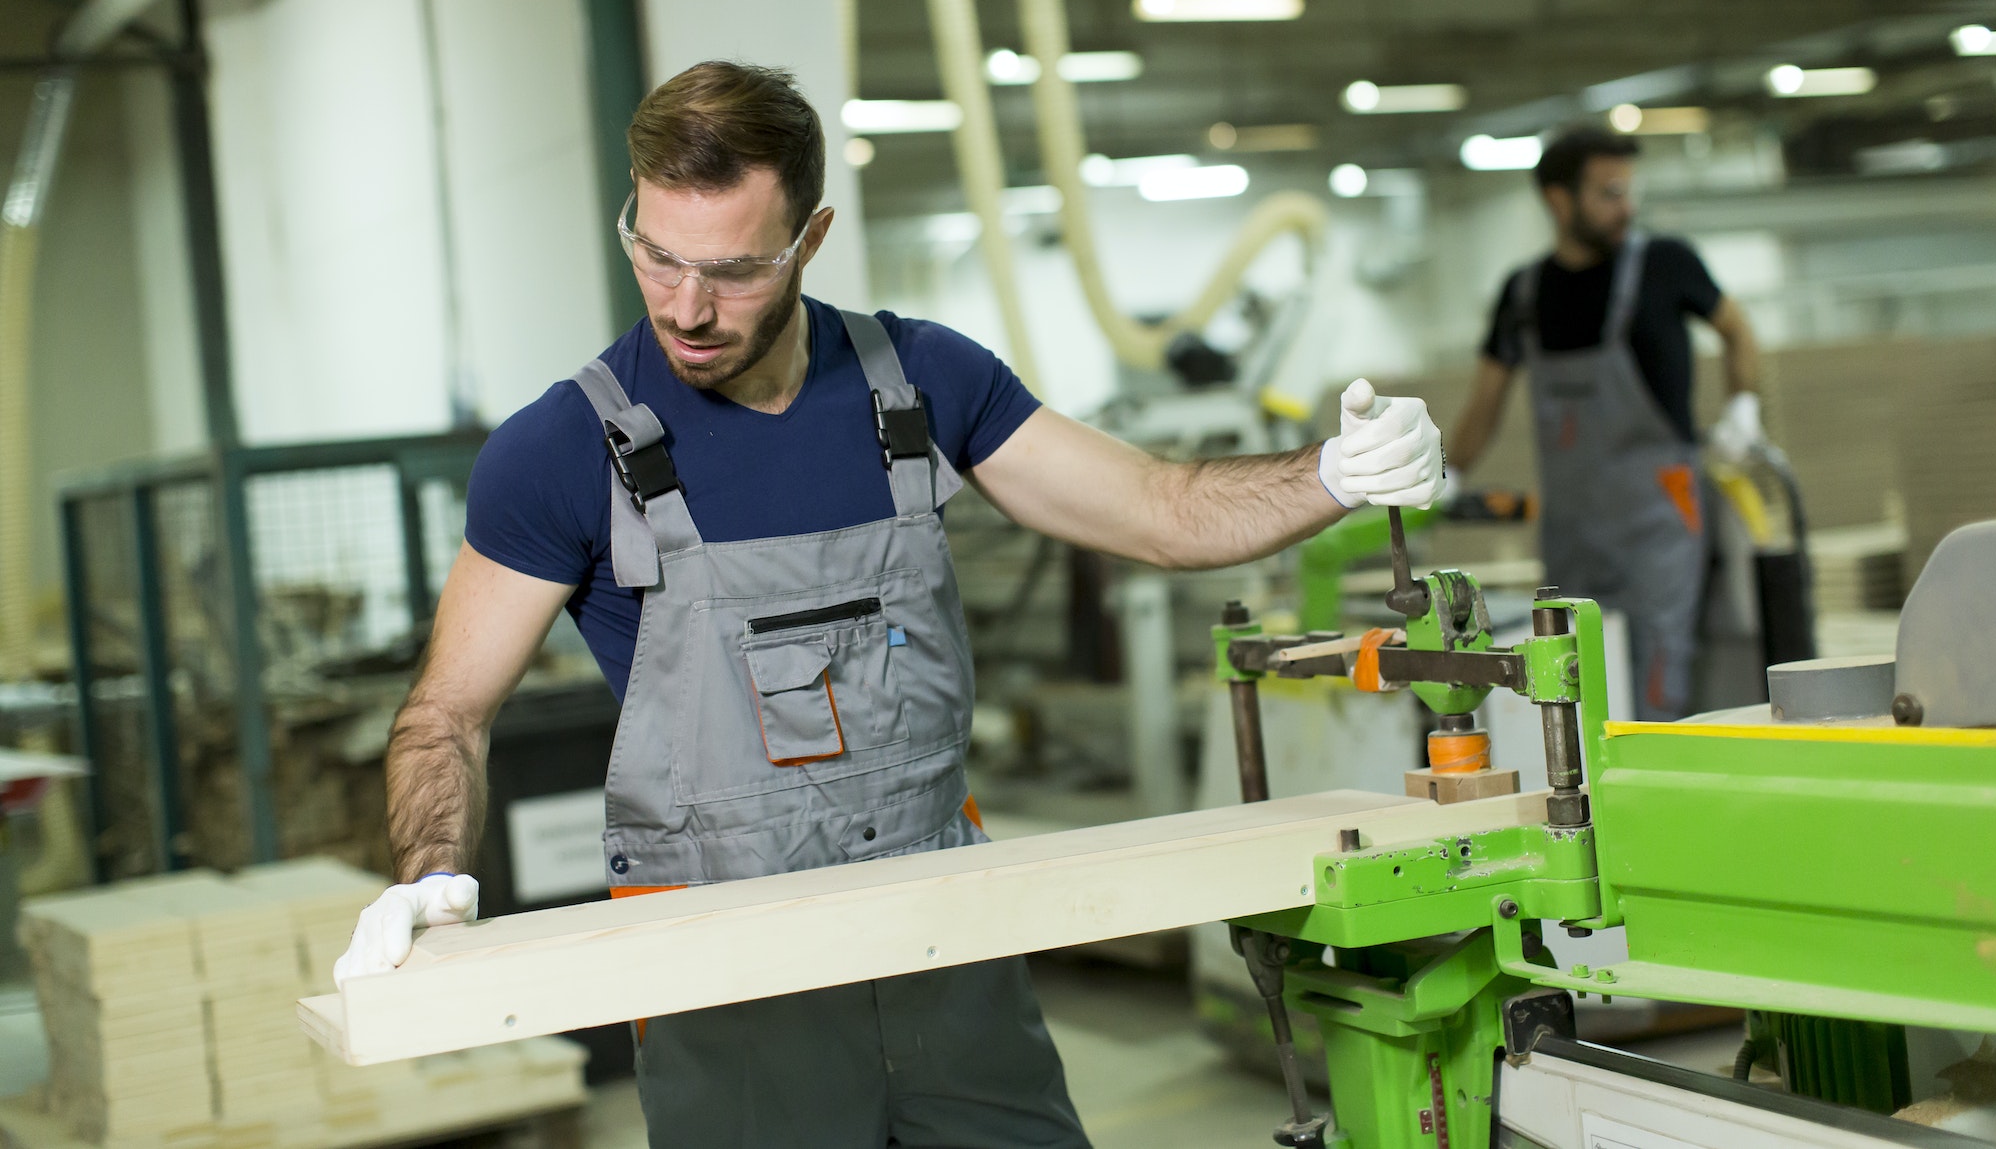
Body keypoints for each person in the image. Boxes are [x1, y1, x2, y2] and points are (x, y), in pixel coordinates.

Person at [332, 60, 1446, 1148]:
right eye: (656, 258)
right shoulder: (562, 451)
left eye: (732, 270)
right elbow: (446, 714)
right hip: (726, 978)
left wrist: (1336, 473)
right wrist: (430, 879)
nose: (688, 307)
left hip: (945, 948)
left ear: (810, 240)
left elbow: (1157, 508)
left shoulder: (918, 384)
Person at [1446, 126, 1763, 721]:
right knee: (1577, 677)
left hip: (1660, 522)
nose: (1626, 208)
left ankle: (1666, 806)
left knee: (1658, 675)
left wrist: (1743, 407)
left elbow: (1737, 330)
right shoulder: (1525, 295)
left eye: (1627, 191)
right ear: (1558, 201)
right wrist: (1451, 474)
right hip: (1573, 530)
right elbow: (1485, 398)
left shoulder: (1666, 265)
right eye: (1608, 194)